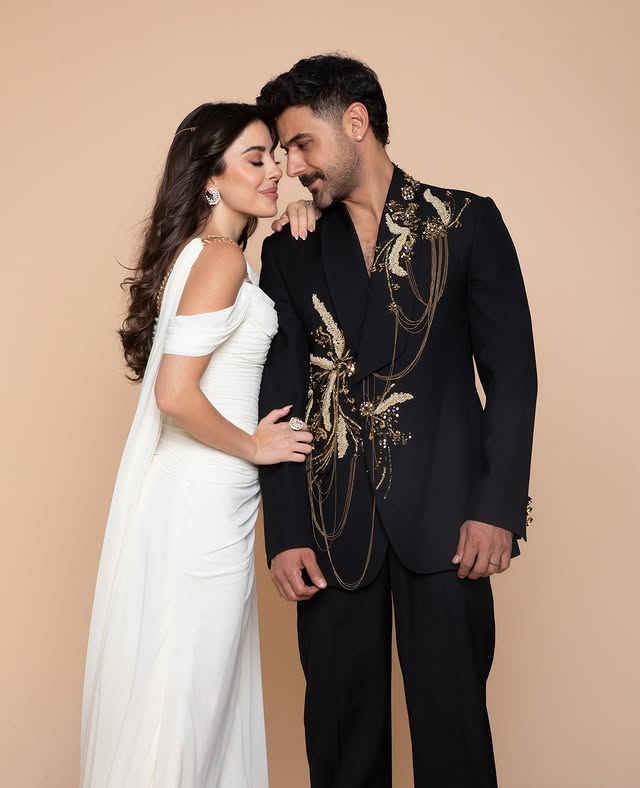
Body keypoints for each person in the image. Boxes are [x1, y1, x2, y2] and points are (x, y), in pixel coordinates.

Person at [256, 55, 537, 787]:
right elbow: (278, 400)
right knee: (341, 750)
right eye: (283, 152)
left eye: (302, 144)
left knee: (456, 746)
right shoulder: (288, 251)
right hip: (329, 530)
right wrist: (285, 533)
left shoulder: (466, 223)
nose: (292, 167)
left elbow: (512, 377)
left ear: (356, 122)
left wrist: (497, 509)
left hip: (449, 526)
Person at [80, 102, 314, 788]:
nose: (274, 171)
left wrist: (299, 217)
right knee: (181, 706)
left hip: (204, 504)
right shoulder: (219, 259)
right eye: (255, 159)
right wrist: (255, 446)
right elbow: (175, 394)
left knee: (188, 699)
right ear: (211, 178)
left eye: (275, 157)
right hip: (200, 512)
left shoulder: (211, 255)